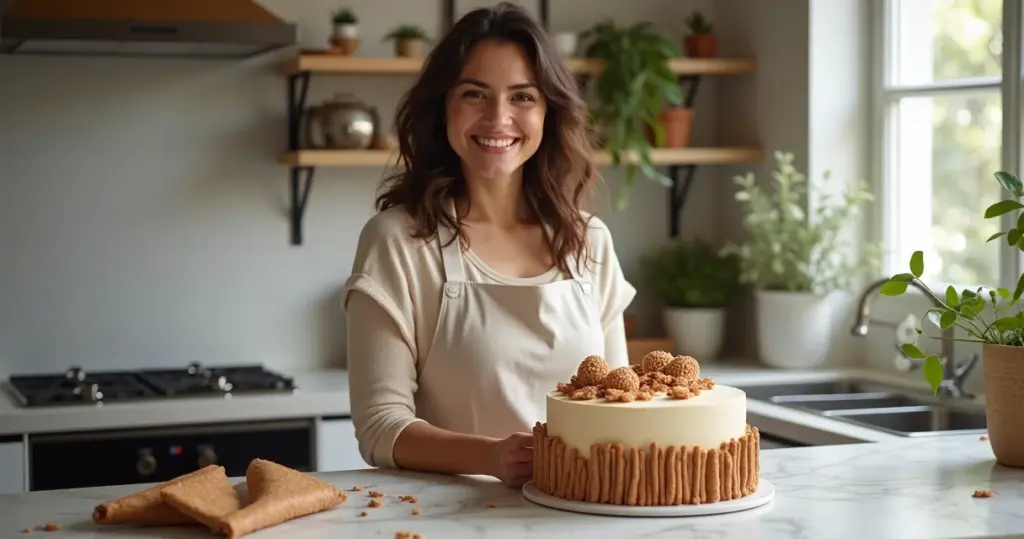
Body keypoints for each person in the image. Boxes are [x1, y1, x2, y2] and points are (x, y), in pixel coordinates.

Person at [341, 2, 636, 489]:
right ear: (443, 108)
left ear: (549, 112)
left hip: (583, 515)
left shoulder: (589, 242)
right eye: (475, 94)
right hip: (454, 520)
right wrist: (493, 457)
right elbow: (380, 428)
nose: (499, 118)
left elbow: (622, 403)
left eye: (522, 97)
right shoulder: (398, 242)